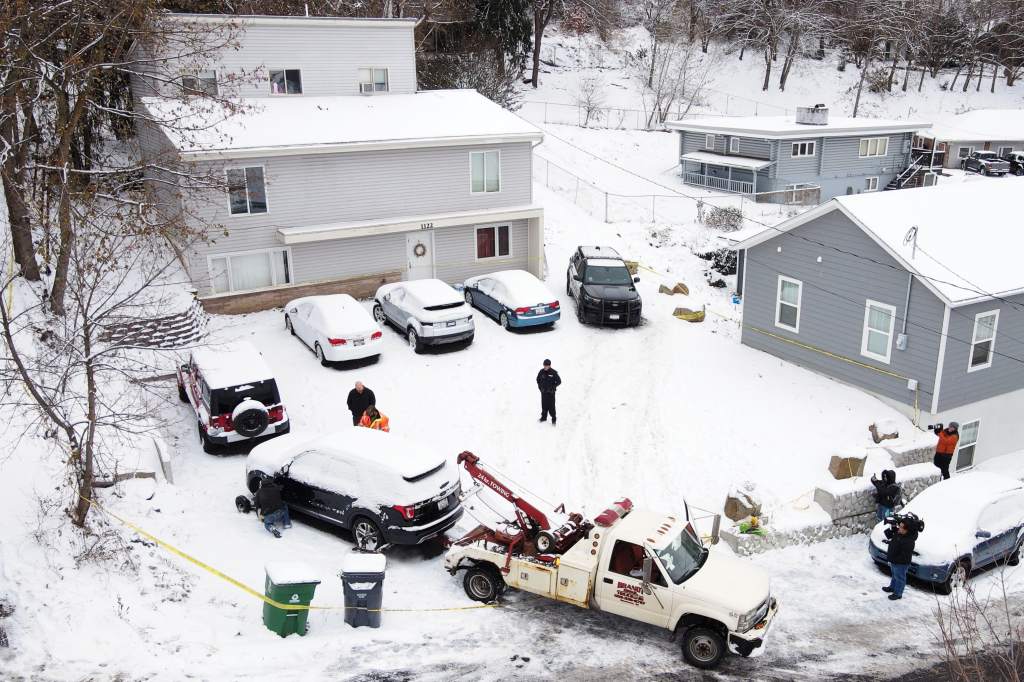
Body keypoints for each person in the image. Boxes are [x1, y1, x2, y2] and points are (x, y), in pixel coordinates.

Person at [883, 518, 918, 600]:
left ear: (908, 530)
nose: (899, 528)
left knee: (900, 578)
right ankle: (892, 587)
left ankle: (898, 593)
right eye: (900, 526)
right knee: (895, 575)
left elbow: (904, 555)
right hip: (894, 560)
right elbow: (892, 537)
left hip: (901, 563)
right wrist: (892, 527)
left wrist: (894, 559)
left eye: (902, 527)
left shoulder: (909, 541)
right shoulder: (900, 533)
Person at [536, 359, 561, 425]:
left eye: (547, 365)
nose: (545, 367)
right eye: (544, 365)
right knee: (544, 406)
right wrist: (540, 388)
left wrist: (553, 387)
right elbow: (538, 380)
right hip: (543, 393)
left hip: (551, 394)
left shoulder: (553, 372)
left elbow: (559, 381)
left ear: (549, 365)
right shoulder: (541, 372)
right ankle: (544, 417)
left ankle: (554, 420)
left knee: (551, 407)